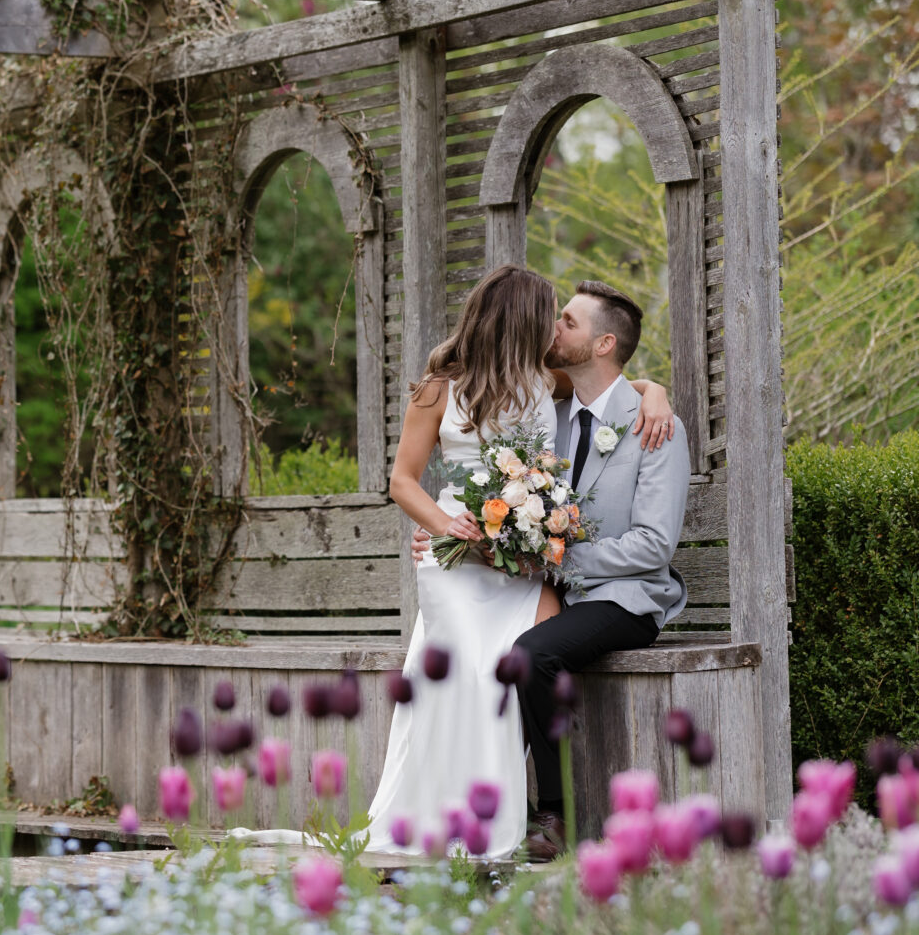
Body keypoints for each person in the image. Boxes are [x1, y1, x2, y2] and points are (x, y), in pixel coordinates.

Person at [233, 266, 672, 859]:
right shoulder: (439, 387)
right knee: (464, 679)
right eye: (548, 313)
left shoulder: (548, 381)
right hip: (457, 558)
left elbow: (618, 386)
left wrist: (656, 392)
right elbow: (402, 481)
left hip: (521, 565)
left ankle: (502, 819)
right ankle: (446, 815)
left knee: (511, 671)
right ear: (518, 318)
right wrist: (448, 530)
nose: (554, 325)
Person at [509, 280, 691, 863]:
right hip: (551, 593)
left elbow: (654, 545)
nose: (553, 328)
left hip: (627, 597)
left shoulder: (655, 425)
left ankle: (553, 814)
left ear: (604, 342)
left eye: (567, 320)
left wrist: (563, 560)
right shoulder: (550, 417)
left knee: (531, 655)